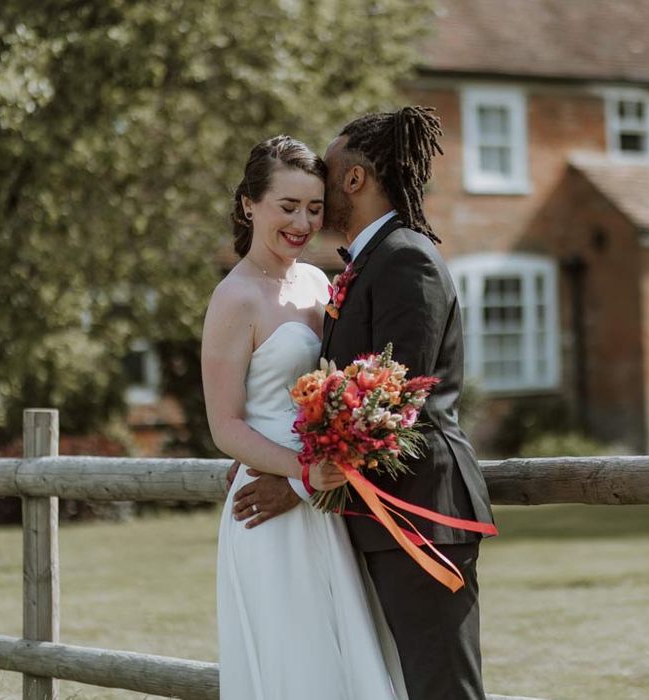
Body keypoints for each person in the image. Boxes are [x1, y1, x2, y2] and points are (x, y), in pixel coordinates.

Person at [232, 107, 496, 699]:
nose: (318, 186)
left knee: (441, 688)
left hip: (420, 514)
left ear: (354, 180)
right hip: (371, 516)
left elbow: (393, 403)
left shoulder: (407, 258)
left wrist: (297, 483)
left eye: (328, 171)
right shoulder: (367, 264)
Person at [202, 135, 408, 700]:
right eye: (287, 206)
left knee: (346, 652)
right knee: (296, 659)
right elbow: (225, 425)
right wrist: (301, 470)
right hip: (271, 506)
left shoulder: (318, 282)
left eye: (314, 208)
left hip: (322, 492)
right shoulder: (234, 298)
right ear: (250, 204)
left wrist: (318, 472)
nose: (302, 222)